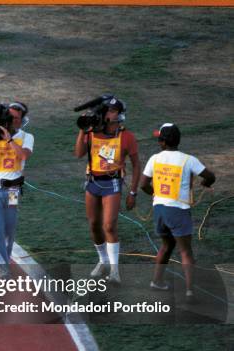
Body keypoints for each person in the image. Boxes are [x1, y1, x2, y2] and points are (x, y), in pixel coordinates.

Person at [140, 123, 215, 300]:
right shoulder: (188, 160)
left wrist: (155, 194)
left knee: (166, 245)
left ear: (162, 142)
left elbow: (143, 185)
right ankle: (190, 291)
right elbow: (210, 176)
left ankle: (156, 281)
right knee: (185, 252)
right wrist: (206, 184)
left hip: (159, 210)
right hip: (178, 211)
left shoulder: (154, 159)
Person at [74, 96, 140, 284]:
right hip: (92, 182)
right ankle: (102, 260)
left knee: (109, 225)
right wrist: (82, 131)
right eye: (109, 111)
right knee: (94, 224)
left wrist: (133, 192)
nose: (112, 114)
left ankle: (114, 270)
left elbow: (136, 165)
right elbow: (79, 153)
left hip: (112, 183)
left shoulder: (126, 136)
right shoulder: (92, 131)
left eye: (115, 111)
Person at [0, 102, 34, 277]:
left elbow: (23, 155)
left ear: (22, 121)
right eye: (10, 117)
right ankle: (3, 269)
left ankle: (3, 263)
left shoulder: (27, 137)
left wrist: (9, 139)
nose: (12, 121)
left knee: (9, 230)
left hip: (13, 190)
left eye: (16, 118)